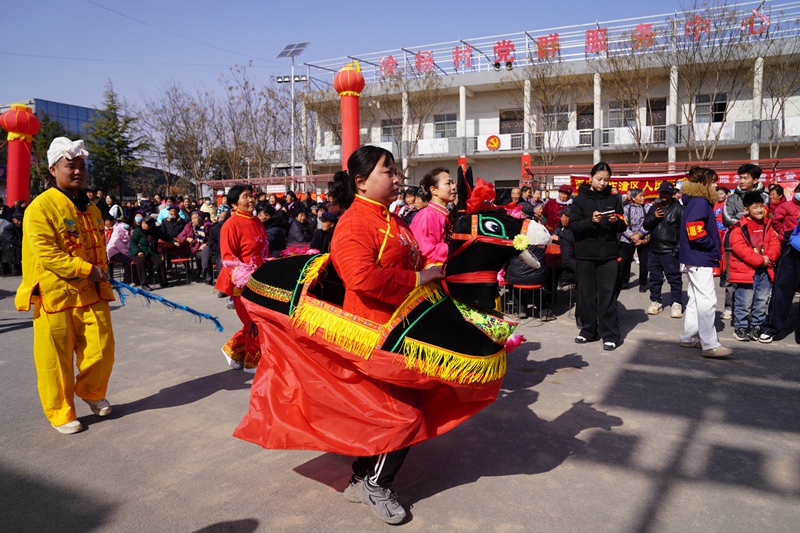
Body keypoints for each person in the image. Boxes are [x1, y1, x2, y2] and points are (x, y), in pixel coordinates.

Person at [330, 145, 444, 525]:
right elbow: (361, 278)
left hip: (401, 326)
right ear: (361, 182)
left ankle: (361, 478)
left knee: (386, 413)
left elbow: (414, 261)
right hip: (372, 332)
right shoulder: (354, 223)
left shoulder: (391, 219)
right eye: (388, 171)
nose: (397, 178)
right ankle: (376, 484)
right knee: (403, 413)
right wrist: (418, 278)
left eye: (396, 171)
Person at [14, 137, 115, 434]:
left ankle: (91, 391)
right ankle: (60, 411)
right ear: (52, 170)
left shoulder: (92, 209)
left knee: (103, 348)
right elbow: (47, 254)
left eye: (81, 166)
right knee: (55, 359)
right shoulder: (40, 207)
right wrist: (87, 270)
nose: (78, 171)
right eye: (70, 166)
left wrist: (99, 272)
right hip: (54, 295)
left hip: (92, 291)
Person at [569, 162, 627, 351]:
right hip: (585, 255)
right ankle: (588, 330)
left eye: (606, 180)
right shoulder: (579, 200)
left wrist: (615, 221)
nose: (602, 183)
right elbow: (573, 226)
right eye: (599, 179)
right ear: (591, 178)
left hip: (609, 255)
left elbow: (623, 224)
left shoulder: (614, 199)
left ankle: (609, 335)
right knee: (586, 296)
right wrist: (591, 221)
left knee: (608, 296)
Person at [215, 185, 270, 373]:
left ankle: (232, 349)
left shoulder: (257, 221)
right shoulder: (230, 225)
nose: (251, 199)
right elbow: (228, 258)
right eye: (245, 197)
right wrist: (244, 277)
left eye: (251, 196)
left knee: (258, 320)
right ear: (233, 204)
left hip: (261, 278)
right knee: (254, 321)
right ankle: (252, 362)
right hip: (241, 281)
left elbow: (264, 250)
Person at [678, 167, 732, 358]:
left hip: (694, 256)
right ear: (703, 183)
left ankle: (689, 336)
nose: (716, 185)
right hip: (700, 256)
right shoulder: (701, 201)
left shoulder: (694, 200)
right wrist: (710, 244)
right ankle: (710, 344)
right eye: (713, 181)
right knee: (707, 300)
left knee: (695, 298)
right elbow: (694, 229)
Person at [728, 191, 781, 341]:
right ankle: (740, 327)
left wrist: (769, 257)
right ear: (746, 209)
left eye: (761, 206)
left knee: (762, 300)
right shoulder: (738, 228)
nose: (759, 210)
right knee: (744, 301)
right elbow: (740, 249)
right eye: (755, 207)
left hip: (765, 269)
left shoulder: (767, 225)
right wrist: (760, 260)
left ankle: (757, 326)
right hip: (746, 271)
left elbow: (775, 244)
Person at [721, 164, 770, 320]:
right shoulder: (732, 198)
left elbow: (763, 217)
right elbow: (727, 219)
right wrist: (748, 219)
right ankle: (729, 306)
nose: (741, 181)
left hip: (758, 242)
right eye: (740, 177)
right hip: (734, 242)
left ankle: (752, 310)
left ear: (755, 180)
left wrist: (741, 217)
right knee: (732, 276)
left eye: (745, 178)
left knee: (756, 277)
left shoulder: (765, 197)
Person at [643, 182, 684, 317]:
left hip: (670, 249)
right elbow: (646, 225)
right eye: (662, 192)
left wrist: (677, 249)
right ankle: (655, 301)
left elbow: (683, 231)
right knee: (654, 277)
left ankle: (676, 303)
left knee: (674, 278)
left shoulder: (679, 209)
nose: (663, 195)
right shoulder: (653, 207)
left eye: (666, 193)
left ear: (672, 194)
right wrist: (655, 217)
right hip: (654, 249)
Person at [410, 167, 455, 267]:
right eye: (448, 183)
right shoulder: (427, 216)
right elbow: (426, 252)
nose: (453, 187)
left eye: (453, 183)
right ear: (434, 190)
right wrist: (456, 247)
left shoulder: (445, 213)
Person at [129, 216, 178, 290]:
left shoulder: (156, 231)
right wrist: (138, 251)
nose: (143, 225)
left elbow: (165, 236)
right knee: (141, 261)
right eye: (143, 223)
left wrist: (173, 241)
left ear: (151, 225)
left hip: (151, 251)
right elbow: (132, 242)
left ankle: (163, 282)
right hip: (137, 252)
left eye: (146, 224)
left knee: (160, 262)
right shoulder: (138, 230)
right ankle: (144, 284)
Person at [617, 188, 651, 293]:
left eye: (643, 196)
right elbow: (623, 224)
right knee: (625, 261)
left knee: (644, 261)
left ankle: (643, 283)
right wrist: (631, 235)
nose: (643, 198)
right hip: (627, 238)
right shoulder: (626, 208)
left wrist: (640, 234)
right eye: (641, 196)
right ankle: (624, 281)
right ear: (633, 198)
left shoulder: (648, 208)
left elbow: (650, 223)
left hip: (643, 237)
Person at [186, 211, 213, 284]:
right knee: (206, 255)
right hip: (197, 249)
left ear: (200, 218)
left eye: (195, 218)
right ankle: (206, 274)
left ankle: (204, 271)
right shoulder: (189, 226)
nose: (193, 220)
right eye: (192, 218)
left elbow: (212, 238)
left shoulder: (207, 226)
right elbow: (181, 235)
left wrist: (205, 244)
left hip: (208, 247)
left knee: (206, 251)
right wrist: (187, 238)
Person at [106, 216, 134, 285]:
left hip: (125, 250)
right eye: (123, 222)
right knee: (127, 260)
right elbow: (118, 243)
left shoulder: (131, 230)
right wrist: (127, 253)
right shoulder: (117, 229)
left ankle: (135, 279)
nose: (124, 224)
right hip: (114, 251)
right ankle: (127, 281)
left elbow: (131, 241)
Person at [1, 209, 23, 274]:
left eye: (21, 220)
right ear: (13, 220)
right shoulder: (8, 228)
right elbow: (11, 239)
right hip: (9, 247)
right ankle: (17, 268)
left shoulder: (22, 227)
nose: (19, 222)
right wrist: (22, 243)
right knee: (15, 248)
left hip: (18, 244)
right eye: (18, 220)